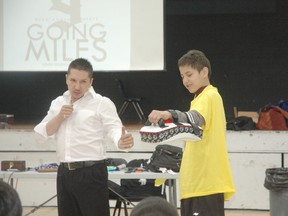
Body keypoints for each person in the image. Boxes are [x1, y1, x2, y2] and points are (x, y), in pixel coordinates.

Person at [34, 58, 134, 216]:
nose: (77, 86)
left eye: (83, 81)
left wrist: (122, 141)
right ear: (66, 78)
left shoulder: (102, 103)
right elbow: (40, 135)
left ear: (91, 81)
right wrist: (60, 116)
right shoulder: (58, 103)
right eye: (73, 80)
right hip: (64, 173)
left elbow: (115, 128)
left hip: (91, 173)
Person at [148, 50, 235, 216]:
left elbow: (194, 118)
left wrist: (170, 113)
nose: (185, 80)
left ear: (204, 72)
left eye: (189, 74)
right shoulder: (200, 98)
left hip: (205, 184)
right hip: (197, 184)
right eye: (182, 76)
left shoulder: (209, 96)